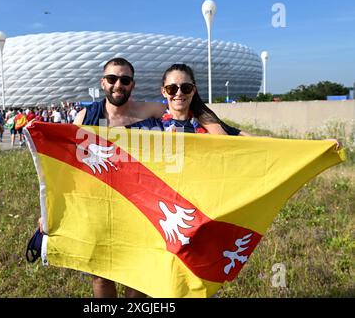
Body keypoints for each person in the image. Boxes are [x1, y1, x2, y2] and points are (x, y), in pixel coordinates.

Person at [70, 58, 239, 297]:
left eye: (125, 80)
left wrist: (230, 132)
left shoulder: (148, 113)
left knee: (140, 274)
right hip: (99, 203)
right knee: (101, 274)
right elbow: (67, 166)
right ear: (103, 82)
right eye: (112, 79)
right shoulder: (86, 117)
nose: (118, 85)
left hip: (140, 205)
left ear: (133, 85)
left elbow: (187, 109)